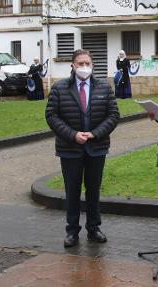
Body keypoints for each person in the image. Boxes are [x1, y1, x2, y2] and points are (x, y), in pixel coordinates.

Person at [45, 49, 119, 248]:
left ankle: (94, 228)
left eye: (87, 63)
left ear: (92, 65)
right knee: (72, 191)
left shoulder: (104, 87)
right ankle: (72, 231)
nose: (84, 67)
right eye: (80, 63)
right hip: (70, 149)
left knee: (93, 190)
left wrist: (94, 133)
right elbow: (52, 116)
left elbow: (113, 115)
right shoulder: (59, 88)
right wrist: (72, 135)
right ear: (73, 66)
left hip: (96, 147)